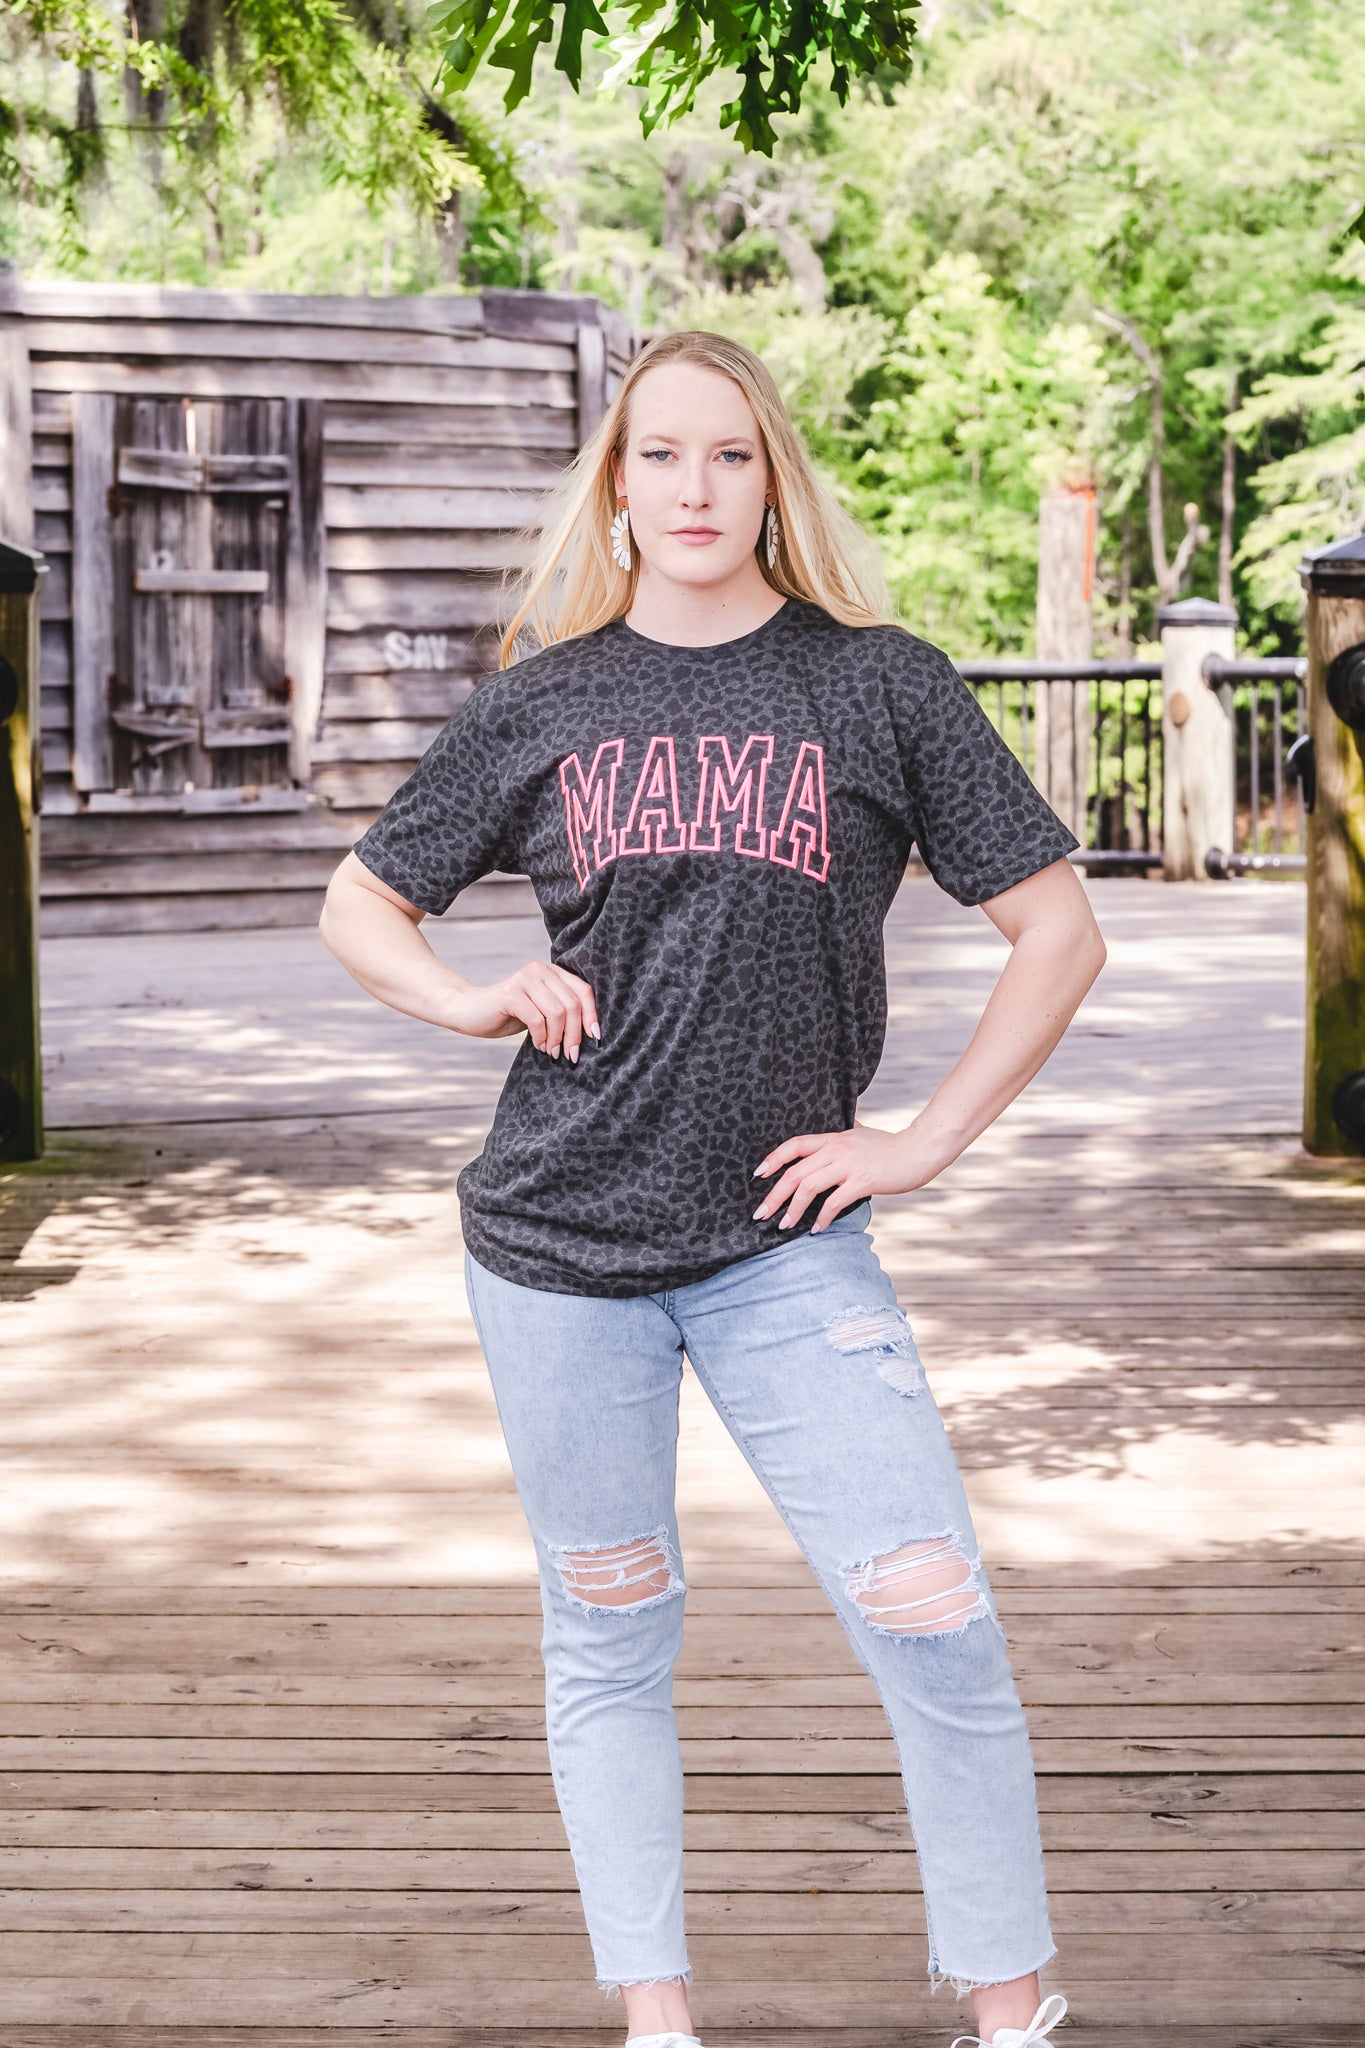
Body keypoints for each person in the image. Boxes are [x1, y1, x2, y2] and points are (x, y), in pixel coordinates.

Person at [319, 328, 1106, 2048]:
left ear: (772, 479)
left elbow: (1058, 930)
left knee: (934, 1616)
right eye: (658, 455)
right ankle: (658, 2022)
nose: (692, 487)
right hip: (551, 1247)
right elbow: (360, 902)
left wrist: (921, 1141)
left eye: (728, 455)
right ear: (616, 485)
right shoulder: (541, 701)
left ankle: (1015, 2010)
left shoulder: (878, 685)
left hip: (785, 1245)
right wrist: (472, 997)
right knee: (611, 1635)